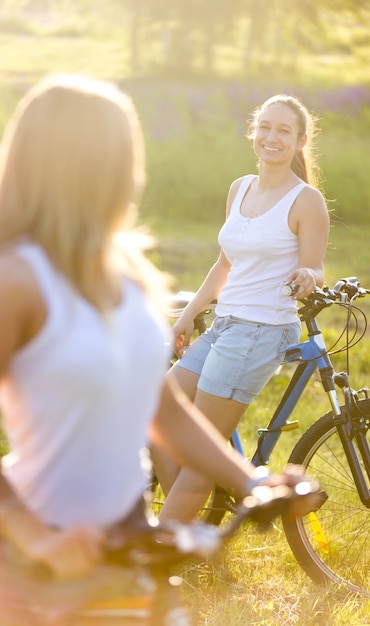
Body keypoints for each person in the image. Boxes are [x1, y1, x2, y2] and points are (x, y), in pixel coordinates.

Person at [0, 76, 319, 622]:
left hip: (126, 540)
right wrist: (34, 537)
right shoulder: (19, 280)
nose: (133, 172)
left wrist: (252, 483)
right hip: (40, 556)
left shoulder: (127, 279)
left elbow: (160, 409)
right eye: (121, 153)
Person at [153, 94, 330, 523]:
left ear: (301, 140)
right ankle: (190, 535)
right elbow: (224, 264)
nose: (272, 137)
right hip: (224, 325)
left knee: (202, 452)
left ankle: (163, 555)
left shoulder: (306, 201)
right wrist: (190, 313)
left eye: (284, 130)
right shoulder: (239, 188)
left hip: (261, 331)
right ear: (254, 131)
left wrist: (308, 276)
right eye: (265, 127)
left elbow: (316, 269)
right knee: (156, 419)